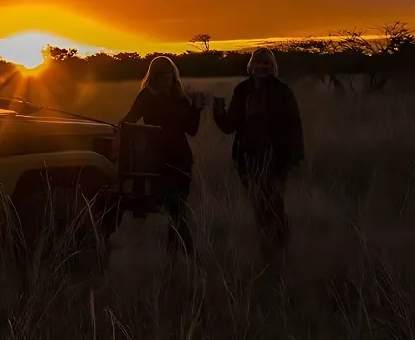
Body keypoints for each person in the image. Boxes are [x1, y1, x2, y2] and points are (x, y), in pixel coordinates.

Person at [212, 47, 304, 257]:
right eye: (258, 63)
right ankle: (267, 250)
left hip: (275, 157)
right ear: (251, 66)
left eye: (267, 64)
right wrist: (217, 111)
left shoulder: (282, 91)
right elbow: (230, 126)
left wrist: (295, 157)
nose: (262, 68)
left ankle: (281, 250)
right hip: (247, 158)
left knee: (274, 203)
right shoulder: (242, 90)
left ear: (273, 68)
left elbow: (294, 125)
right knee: (258, 205)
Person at [122, 56, 203, 255]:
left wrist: (197, 110)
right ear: (154, 77)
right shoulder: (146, 96)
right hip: (157, 160)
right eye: (161, 75)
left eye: (170, 75)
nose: (167, 79)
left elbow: (191, 130)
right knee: (176, 210)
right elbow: (128, 122)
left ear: (174, 76)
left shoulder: (180, 97)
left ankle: (173, 260)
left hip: (182, 158)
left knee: (178, 210)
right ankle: (191, 256)